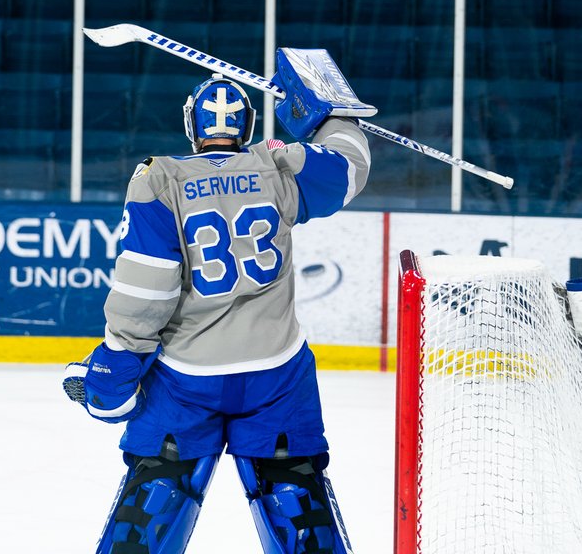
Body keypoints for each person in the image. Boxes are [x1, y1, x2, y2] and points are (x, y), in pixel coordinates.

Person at [64, 48, 373, 553]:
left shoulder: (160, 180)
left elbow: (145, 293)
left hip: (186, 378)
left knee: (157, 497)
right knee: (293, 495)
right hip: (278, 373)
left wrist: (113, 375)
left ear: (192, 125)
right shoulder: (276, 166)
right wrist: (330, 114)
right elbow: (350, 167)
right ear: (249, 125)